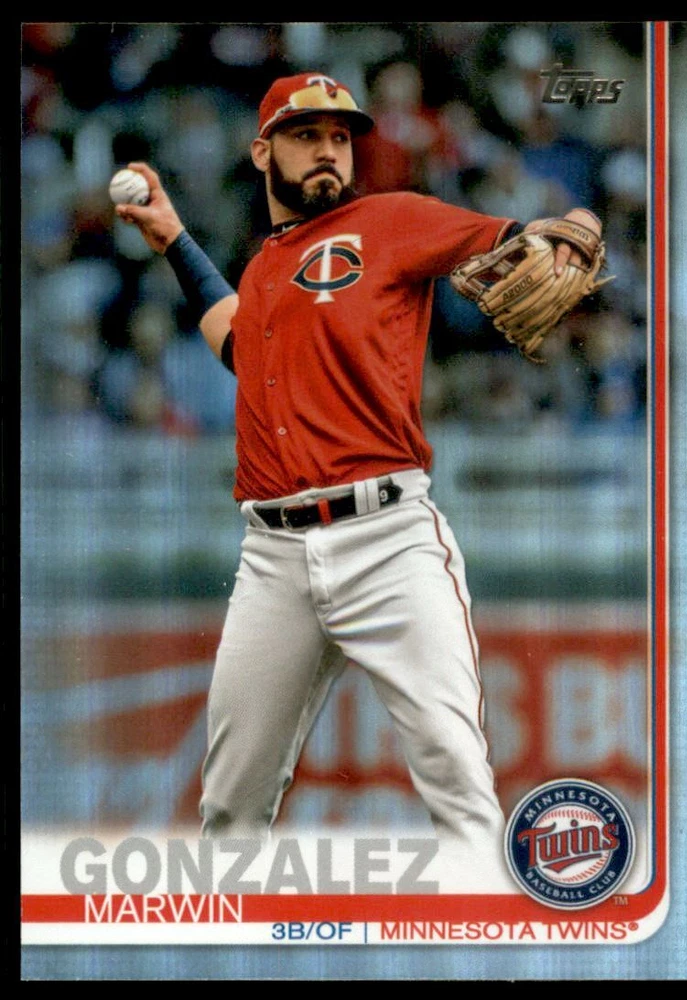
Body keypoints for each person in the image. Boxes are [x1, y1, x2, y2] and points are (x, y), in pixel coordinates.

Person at [115, 72, 601, 891]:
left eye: (340, 137)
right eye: (306, 135)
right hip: (272, 559)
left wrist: (576, 227)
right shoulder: (264, 271)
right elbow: (237, 344)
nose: (328, 151)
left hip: (388, 541)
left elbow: (525, 234)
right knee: (229, 807)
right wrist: (172, 240)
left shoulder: (388, 220)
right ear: (262, 151)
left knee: (456, 775)